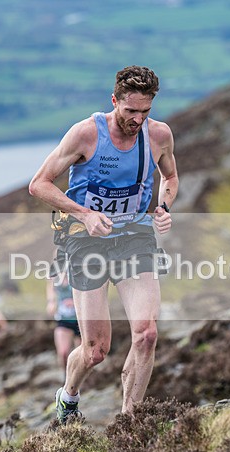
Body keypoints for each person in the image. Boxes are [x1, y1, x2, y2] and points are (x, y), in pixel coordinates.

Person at [28, 65, 178, 424]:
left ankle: (129, 422)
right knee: (96, 351)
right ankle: (68, 395)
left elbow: (170, 176)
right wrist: (84, 214)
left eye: (145, 111)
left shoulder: (158, 135)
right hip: (85, 240)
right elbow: (39, 184)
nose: (137, 120)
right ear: (114, 101)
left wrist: (163, 206)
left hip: (134, 237)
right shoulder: (85, 134)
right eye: (130, 112)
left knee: (147, 334)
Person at [47, 256, 81, 376]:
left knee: (82, 355)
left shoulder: (78, 272)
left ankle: (80, 379)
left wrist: (75, 302)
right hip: (63, 319)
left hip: (80, 320)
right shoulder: (55, 276)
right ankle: (66, 377)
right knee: (63, 353)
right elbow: (50, 291)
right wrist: (51, 302)